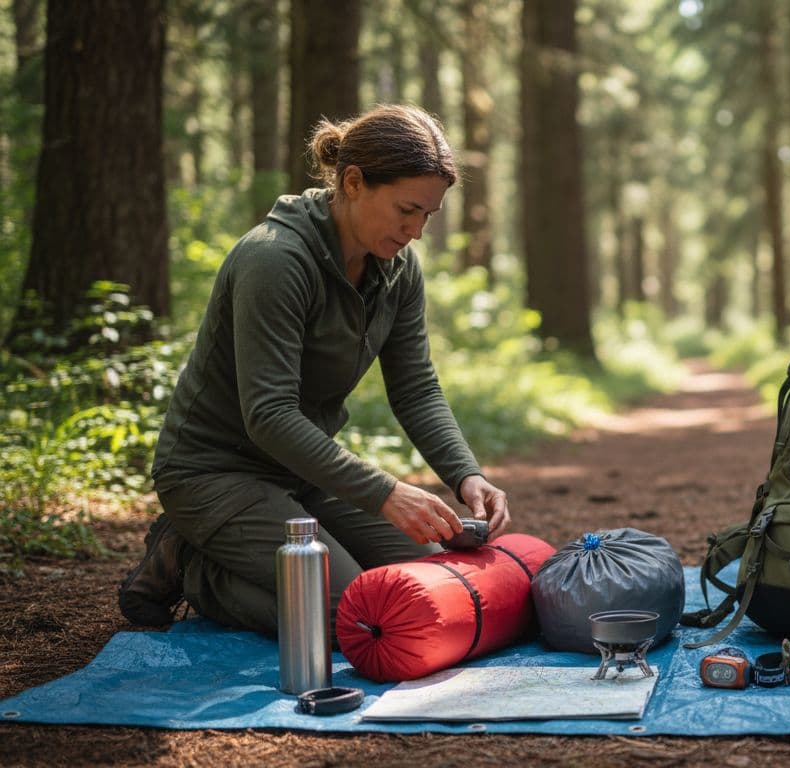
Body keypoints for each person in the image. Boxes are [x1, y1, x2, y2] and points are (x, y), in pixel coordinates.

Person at [118, 104, 510, 634]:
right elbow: (270, 414)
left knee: (430, 579)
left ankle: (242, 551)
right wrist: (386, 492)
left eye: (428, 215)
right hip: (213, 474)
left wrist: (467, 475)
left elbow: (415, 387)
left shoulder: (397, 270)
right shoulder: (273, 260)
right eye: (406, 209)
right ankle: (191, 564)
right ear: (353, 181)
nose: (416, 230)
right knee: (351, 616)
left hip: (301, 474)